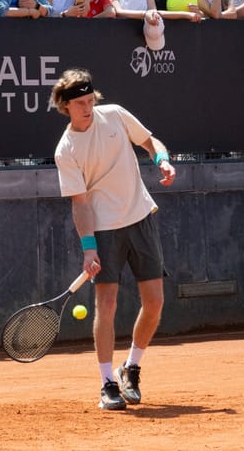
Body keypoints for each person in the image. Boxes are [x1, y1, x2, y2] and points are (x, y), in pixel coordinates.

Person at [50, 67, 175, 411]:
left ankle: (130, 368)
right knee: (106, 305)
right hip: (105, 231)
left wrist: (161, 160)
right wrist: (89, 248)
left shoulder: (115, 115)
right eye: (80, 104)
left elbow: (150, 141)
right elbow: (81, 204)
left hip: (140, 218)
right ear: (65, 106)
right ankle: (107, 383)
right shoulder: (67, 150)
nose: (88, 108)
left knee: (155, 303)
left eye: (91, 101)